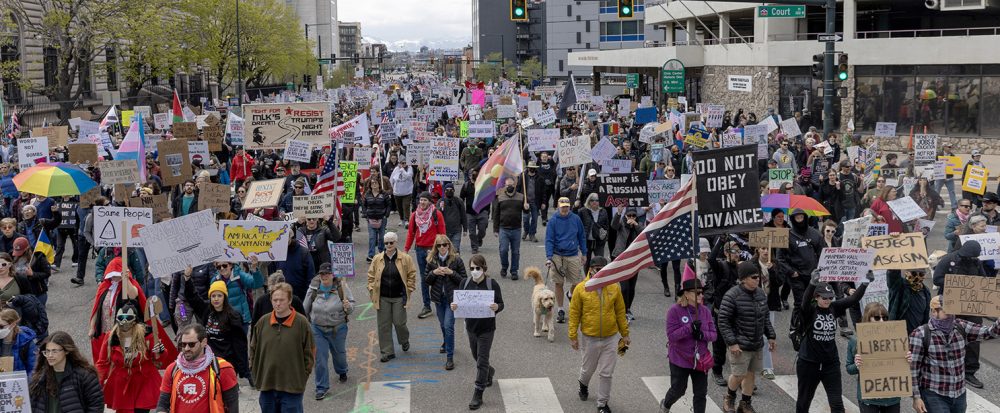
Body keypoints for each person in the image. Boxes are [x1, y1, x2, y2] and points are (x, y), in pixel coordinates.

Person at [910, 295, 1000, 413]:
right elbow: (913, 369)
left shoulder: (960, 327)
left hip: (959, 394)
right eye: (946, 312)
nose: (950, 315)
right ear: (933, 312)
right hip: (934, 394)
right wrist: (916, 397)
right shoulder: (920, 334)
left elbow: (989, 333)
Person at [795, 273, 870, 413]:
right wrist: (812, 283)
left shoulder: (833, 308)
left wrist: (865, 282)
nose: (827, 301)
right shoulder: (809, 311)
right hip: (808, 364)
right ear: (816, 297)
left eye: (830, 298)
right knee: (804, 402)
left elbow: (853, 299)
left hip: (831, 364)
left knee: (837, 404)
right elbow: (805, 302)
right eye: (824, 298)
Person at [568, 257, 630, 413]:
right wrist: (572, 336)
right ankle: (583, 383)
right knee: (587, 369)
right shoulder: (581, 288)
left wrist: (625, 334)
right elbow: (574, 313)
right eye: (597, 268)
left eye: (604, 268)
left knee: (606, 372)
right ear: (590, 269)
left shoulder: (614, 287)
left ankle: (602, 404)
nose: (601, 271)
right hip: (590, 338)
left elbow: (620, 312)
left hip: (611, 337)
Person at [96, 300, 177, 413]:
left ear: (135, 320)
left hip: (144, 380)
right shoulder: (111, 337)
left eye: (128, 318)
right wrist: (95, 384)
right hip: (122, 382)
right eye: (121, 318)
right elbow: (103, 363)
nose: (124, 321)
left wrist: (161, 351)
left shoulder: (147, 334)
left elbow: (159, 359)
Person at [717, 262, 775, 413]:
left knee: (750, 375)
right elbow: (723, 320)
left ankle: (745, 403)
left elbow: (765, 317)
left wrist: (771, 336)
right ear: (743, 279)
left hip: (756, 344)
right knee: (738, 374)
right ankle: (729, 398)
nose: (758, 279)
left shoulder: (761, 293)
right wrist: (732, 342)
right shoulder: (732, 295)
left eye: (758, 276)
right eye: (754, 277)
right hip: (740, 345)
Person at [250, 282, 315, 413]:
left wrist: (303, 376)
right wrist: (254, 371)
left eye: (281, 300)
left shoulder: (302, 323)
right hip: (267, 386)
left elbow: (310, 352)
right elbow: (253, 349)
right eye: (275, 300)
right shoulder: (263, 322)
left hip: (292, 388)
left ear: (290, 300)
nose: (278, 303)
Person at [932, 239, 988, 389]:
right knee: (948, 334)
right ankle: (945, 366)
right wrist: (957, 282)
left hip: (971, 304)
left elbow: (984, 281)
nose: (968, 260)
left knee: (974, 336)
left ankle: (969, 370)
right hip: (951, 303)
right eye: (966, 257)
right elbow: (936, 279)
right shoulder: (948, 259)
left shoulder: (976, 263)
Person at [450, 254, 503, 410]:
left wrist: (497, 307)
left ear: (484, 268)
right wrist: (454, 306)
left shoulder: (491, 284)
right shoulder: (464, 283)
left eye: (477, 268)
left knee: (481, 360)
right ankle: (489, 371)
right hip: (471, 328)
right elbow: (458, 303)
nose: (474, 271)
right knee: (476, 355)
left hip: (487, 329)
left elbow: (501, 303)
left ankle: (478, 394)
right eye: (472, 268)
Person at [659, 274, 716, 413]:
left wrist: (702, 335)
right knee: (678, 390)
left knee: (701, 394)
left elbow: (714, 335)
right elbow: (672, 336)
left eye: (702, 292)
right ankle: (666, 404)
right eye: (697, 292)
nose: (701, 295)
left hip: (700, 359)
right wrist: (689, 328)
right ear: (686, 294)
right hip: (680, 358)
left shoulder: (705, 311)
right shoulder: (675, 311)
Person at [155, 324, 240, 413]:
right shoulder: (172, 369)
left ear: (203, 342)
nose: (186, 348)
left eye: (191, 344)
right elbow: (163, 403)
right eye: (183, 344)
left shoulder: (223, 368)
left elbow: (232, 404)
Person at [182, 280, 252, 382]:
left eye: (219, 296)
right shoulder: (207, 310)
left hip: (226, 360)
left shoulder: (233, 316)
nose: (216, 299)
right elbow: (193, 298)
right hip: (209, 359)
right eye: (213, 296)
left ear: (224, 297)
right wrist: (187, 279)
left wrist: (243, 369)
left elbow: (240, 344)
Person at [846, 302, 910, 413]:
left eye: (885, 318)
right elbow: (849, 369)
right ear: (868, 318)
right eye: (877, 318)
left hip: (891, 399)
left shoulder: (896, 340)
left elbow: (902, 368)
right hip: (869, 399)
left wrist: (907, 360)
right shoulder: (855, 341)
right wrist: (857, 365)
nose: (881, 321)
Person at [304, 263, 355, 400]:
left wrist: (348, 306)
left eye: (327, 274)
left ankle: (342, 370)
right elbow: (305, 308)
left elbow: (351, 307)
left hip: (338, 328)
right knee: (320, 358)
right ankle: (321, 387)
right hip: (318, 329)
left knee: (339, 355)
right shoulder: (313, 288)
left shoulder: (341, 287)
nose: (324, 276)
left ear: (333, 275)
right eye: (322, 274)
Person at [368, 232, 417, 363]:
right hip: (382, 297)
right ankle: (387, 352)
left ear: (396, 243)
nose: (388, 245)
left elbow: (412, 274)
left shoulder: (405, 258)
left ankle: (404, 340)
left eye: (391, 242)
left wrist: (410, 288)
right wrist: (372, 289)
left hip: (399, 297)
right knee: (383, 325)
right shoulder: (377, 258)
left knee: (399, 323)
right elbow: (371, 276)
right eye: (386, 243)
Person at [29, 331, 105, 413]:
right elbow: (33, 405)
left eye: (54, 351)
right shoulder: (40, 377)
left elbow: (96, 405)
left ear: (66, 351)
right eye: (47, 351)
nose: (50, 355)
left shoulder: (85, 375)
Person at [424, 235, 466, 370]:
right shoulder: (431, 260)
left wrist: (451, 272)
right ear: (435, 247)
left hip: (452, 299)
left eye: (444, 244)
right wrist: (434, 272)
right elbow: (426, 280)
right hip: (438, 298)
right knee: (443, 324)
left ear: (448, 245)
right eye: (439, 245)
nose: (442, 247)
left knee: (448, 326)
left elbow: (464, 281)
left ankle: (449, 357)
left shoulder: (456, 260)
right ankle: (446, 342)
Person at [780, 208, 822, 336]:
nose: (799, 220)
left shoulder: (815, 234)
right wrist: (791, 272)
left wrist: (822, 270)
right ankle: (795, 328)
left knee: (814, 302)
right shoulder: (787, 235)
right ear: (793, 219)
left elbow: (823, 253)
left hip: (813, 276)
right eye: (797, 218)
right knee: (799, 303)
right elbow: (780, 258)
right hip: (797, 276)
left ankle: (811, 326)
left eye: (801, 217)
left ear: (805, 217)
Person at [404, 191, 446, 319]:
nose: (422, 203)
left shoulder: (436, 214)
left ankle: (442, 302)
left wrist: (442, 249)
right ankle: (426, 306)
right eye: (421, 200)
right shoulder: (414, 215)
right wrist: (406, 249)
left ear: (430, 202)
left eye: (425, 200)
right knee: (424, 278)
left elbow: (442, 233)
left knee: (438, 276)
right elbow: (411, 233)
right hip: (420, 250)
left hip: (433, 250)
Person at [546, 197, 587, 324]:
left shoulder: (576, 219)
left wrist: (584, 253)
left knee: (577, 282)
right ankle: (560, 309)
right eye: (562, 206)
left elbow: (581, 236)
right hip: (557, 255)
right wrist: (549, 257)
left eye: (567, 206)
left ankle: (570, 293)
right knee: (558, 283)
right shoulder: (553, 221)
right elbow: (549, 240)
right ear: (558, 206)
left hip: (573, 254)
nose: (565, 209)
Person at [206, 257, 263, 332]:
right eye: (219, 267)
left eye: (224, 265)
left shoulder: (240, 275)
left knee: (240, 343)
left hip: (241, 319)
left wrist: (255, 269)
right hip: (223, 319)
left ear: (231, 265)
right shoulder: (215, 280)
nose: (222, 268)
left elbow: (256, 284)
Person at [611, 207, 644, 322]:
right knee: (624, 288)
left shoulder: (638, 225)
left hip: (635, 259)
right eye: (629, 215)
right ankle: (623, 310)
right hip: (622, 258)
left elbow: (644, 234)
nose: (630, 218)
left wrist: (635, 224)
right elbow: (613, 225)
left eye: (633, 216)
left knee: (631, 287)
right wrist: (619, 213)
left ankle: (628, 308)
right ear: (625, 216)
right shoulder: (621, 224)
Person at [492, 177, 525, 280]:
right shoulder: (500, 197)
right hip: (503, 228)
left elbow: (526, 211)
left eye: (511, 185)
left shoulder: (521, 197)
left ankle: (514, 271)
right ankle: (504, 267)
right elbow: (496, 214)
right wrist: (495, 229)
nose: (509, 187)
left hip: (516, 229)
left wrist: (526, 208)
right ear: (504, 186)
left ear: (514, 185)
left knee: (515, 251)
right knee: (503, 250)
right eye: (507, 185)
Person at [887, 268, 931, 334]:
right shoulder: (899, 286)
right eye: (914, 273)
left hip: (918, 337)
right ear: (907, 272)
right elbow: (892, 275)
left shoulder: (926, 291)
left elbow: (926, 316)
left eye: (921, 274)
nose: (917, 277)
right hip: (900, 335)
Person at [362, 178, 392, 262]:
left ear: (379, 184)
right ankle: (371, 255)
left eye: (376, 183)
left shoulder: (384, 194)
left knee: (382, 238)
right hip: (370, 219)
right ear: (370, 185)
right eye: (372, 183)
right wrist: (366, 214)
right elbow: (364, 205)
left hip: (382, 218)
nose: (374, 184)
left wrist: (386, 215)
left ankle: (382, 253)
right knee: (372, 238)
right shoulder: (367, 195)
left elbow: (389, 205)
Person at [0, 308, 36, 377]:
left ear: (13, 324)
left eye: (1, 326)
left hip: (19, 385)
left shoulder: (27, 343)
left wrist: (25, 385)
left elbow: (34, 369)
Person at [461, 169, 490, 254]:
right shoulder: (466, 186)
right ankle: (474, 247)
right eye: (472, 174)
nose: (474, 176)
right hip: (470, 213)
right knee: (472, 233)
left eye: (476, 174)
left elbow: (488, 198)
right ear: (469, 176)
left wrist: (487, 211)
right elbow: (461, 198)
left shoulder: (484, 185)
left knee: (482, 230)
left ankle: (479, 239)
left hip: (482, 211)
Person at [578, 193, 609, 271]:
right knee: (587, 262)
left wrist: (605, 237)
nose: (594, 202)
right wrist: (575, 207)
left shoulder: (603, 211)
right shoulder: (583, 211)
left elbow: (606, 226)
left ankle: (598, 280)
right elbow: (576, 223)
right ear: (589, 201)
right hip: (587, 241)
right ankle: (588, 280)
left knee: (600, 262)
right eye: (592, 200)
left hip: (599, 242)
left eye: (597, 200)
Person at [439, 183, 466, 253]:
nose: (449, 191)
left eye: (451, 190)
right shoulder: (441, 201)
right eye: (447, 190)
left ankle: (456, 263)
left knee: (455, 250)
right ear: (444, 191)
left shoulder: (459, 201)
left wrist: (465, 228)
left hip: (456, 230)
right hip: (444, 231)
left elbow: (463, 215)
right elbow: (435, 215)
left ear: (454, 190)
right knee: (445, 251)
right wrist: (440, 207)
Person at [390, 159, 414, 227]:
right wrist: (392, 188)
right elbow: (392, 179)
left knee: (406, 206)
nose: (403, 164)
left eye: (404, 163)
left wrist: (402, 170)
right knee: (399, 207)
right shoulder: (396, 169)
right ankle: (402, 219)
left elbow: (408, 176)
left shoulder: (410, 168)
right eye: (401, 163)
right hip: (397, 192)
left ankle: (407, 220)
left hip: (407, 192)